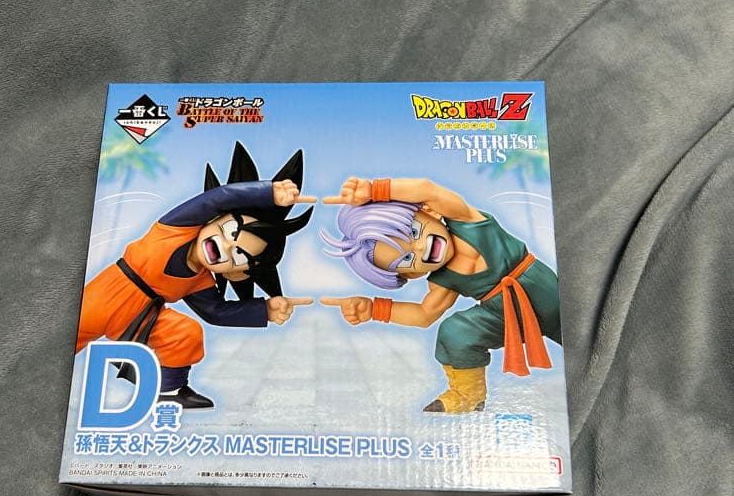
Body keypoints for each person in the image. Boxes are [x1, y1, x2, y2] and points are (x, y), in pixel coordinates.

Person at [76, 143, 315, 409]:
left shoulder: (199, 280)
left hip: (145, 317)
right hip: (107, 295)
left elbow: (216, 312)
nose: (226, 247)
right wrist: (266, 192)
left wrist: (264, 309)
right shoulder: (175, 228)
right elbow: (216, 198)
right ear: (214, 219)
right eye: (229, 231)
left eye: (239, 256)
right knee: (68, 334)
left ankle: (169, 391)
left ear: (238, 272)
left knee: (186, 332)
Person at [320, 176, 561, 413]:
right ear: (412, 274)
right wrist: (374, 309)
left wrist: (375, 190)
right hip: (506, 315)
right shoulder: (443, 281)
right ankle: (468, 396)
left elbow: (427, 190)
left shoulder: (466, 220)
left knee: (575, 327)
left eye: (414, 232)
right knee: (454, 332)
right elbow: (424, 314)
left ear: (429, 212)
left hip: (546, 290)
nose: (419, 247)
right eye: (407, 259)